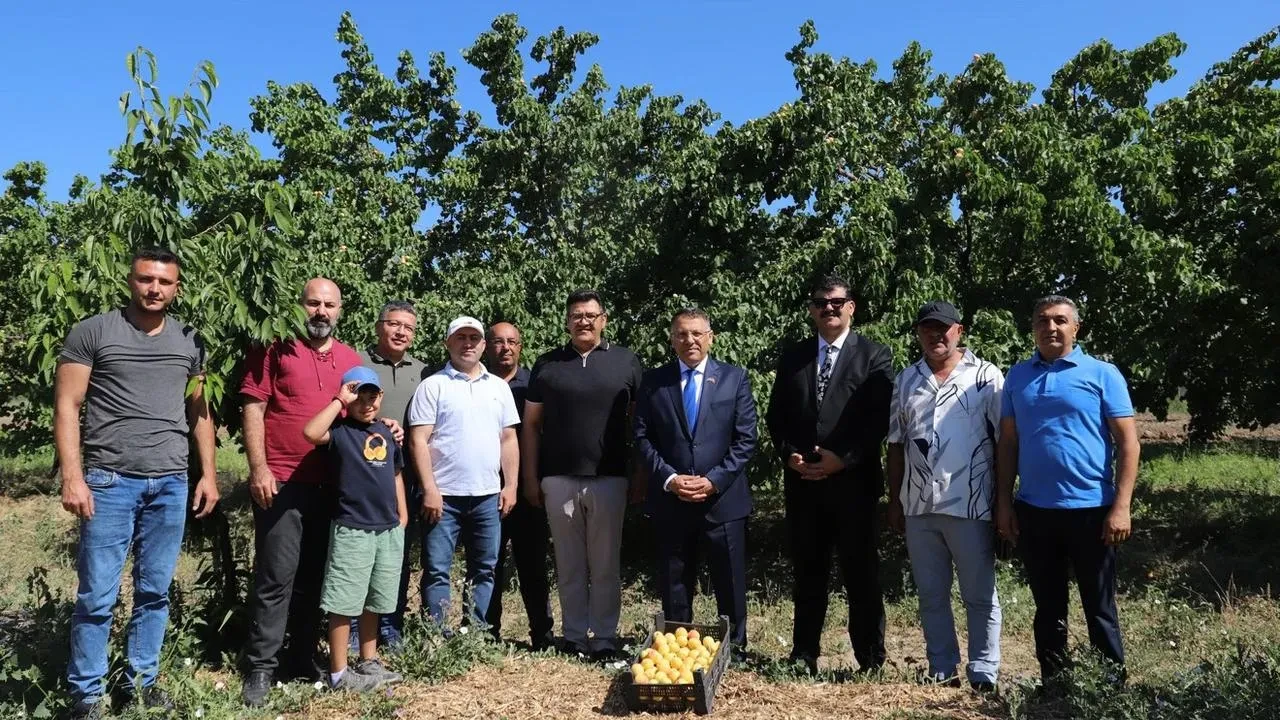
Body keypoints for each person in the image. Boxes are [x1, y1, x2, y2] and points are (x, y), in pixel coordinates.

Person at [55, 247, 220, 719]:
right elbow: (67, 406)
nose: (155, 289)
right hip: (109, 481)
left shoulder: (190, 340)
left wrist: (207, 473)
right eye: (147, 279)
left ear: (177, 287)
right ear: (131, 281)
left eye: (165, 282)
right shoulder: (94, 331)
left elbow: (200, 412)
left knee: (155, 590)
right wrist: (73, 476)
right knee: (98, 592)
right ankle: (85, 694)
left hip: (170, 480)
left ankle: (140, 684)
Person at [995, 295, 1139, 687]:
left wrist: (1121, 506)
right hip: (1035, 510)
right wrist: (1004, 502)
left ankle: (1110, 689)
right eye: (1043, 321)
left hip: (1092, 509)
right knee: (1048, 607)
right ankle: (1054, 684)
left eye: (1060, 320)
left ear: (1076, 328)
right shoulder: (1018, 376)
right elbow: (1008, 444)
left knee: (1100, 607)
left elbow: (1128, 443)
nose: (1051, 328)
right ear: (1033, 328)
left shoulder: (1102, 374)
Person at [239, 278, 364, 707]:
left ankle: (301, 656)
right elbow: (253, 407)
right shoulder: (275, 348)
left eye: (329, 305)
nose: (321, 312)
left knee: (315, 578)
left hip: (331, 485)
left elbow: (360, 419)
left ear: (340, 311)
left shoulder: (350, 359)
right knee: (276, 576)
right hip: (282, 481)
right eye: (313, 303)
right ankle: (260, 667)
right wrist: (259, 468)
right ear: (301, 306)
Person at [765, 274, 893, 675]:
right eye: (822, 303)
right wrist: (789, 456)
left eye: (837, 302)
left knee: (862, 575)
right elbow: (777, 417)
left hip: (854, 484)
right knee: (808, 573)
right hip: (804, 485)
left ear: (851, 307)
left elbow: (879, 419)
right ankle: (804, 655)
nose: (830, 309)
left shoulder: (874, 355)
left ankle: (870, 659)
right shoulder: (794, 357)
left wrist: (845, 458)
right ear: (812, 310)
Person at [521, 290, 645, 661]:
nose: (584, 321)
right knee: (569, 563)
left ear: (604, 319)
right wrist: (530, 477)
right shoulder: (548, 364)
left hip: (610, 478)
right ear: (567, 320)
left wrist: (640, 474)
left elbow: (641, 425)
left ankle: (605, 637)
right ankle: (574, 636)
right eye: (576, 315)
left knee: (606, 563)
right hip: (558, 478)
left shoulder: (627, 362)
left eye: (591, 315)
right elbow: (530, 425)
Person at [886, 300, 1003, 690]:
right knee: (931, 593)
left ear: (960, 330)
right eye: (927, 329)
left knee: (979, 594)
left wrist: (1004, 500)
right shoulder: (906, 379)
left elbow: (1005, 442)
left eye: (944, 328)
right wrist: (895, 500)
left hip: (970, 503)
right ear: (918, 333)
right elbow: (896, 444)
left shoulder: (986, 377)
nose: (936, 335)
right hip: (919, 505)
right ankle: (941, 667)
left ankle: (984, 671)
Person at [634, 308, 757, 654]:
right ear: (672, 339)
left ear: (710, 337)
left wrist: (713, 481)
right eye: (682, 334)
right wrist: (670, 479)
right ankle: (677, 651)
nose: (690, 340)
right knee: (674, 583)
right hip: (672, 500)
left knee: (729, 582)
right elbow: (643, 437)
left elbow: (746, 439)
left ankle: (735, 649)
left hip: (723, 500)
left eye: (697, 333)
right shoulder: (654, 381)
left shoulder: (735, 378)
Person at [407, 317, 520, 630]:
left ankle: (474, 633)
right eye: (460, 337)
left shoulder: (498, 388)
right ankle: (436, 635)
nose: (467, 343)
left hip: (487, 495)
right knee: (437, 570)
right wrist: (429, 488)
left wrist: (510, 485)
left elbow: (508, 439)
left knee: (484, 568)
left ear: (483, 345)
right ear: (448, 343)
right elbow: (418, 439)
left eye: (474, 338)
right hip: (443, 496)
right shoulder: (432, 386)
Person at [302, 367, 407, 692]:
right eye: (358, 396)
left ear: (380, 397)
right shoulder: (341, 431)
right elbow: (310, 433)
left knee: (374, 600)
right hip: (353, 529)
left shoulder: (388, 432)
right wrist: (339, 401)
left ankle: (368, 661)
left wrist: (402, 514)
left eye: (371, 395)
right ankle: (338, 673)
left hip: (387, 529)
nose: (366, 402)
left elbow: (395, 474)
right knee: (345, 600)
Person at [358, 301, 429, 647]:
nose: (401, 332)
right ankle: (357, 628)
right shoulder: (357, 362)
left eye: (409, 328)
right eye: (394, 324)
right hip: (364, 474)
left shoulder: (424, 371)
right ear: (379, 326)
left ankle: (390, 624)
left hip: (407, 475)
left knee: (397, 551)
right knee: (360, 552)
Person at [482, 321, 556, 650]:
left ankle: (542, 634)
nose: (505, 348)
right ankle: (486, 633)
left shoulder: (534, 386)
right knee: (487, 564)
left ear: (520, 346)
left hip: (527, 488)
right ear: (487, 346)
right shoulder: (475, 383)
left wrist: (535, 481)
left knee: (533, 564)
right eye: (498, 342)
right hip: (482, 489)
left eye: (512, 342)